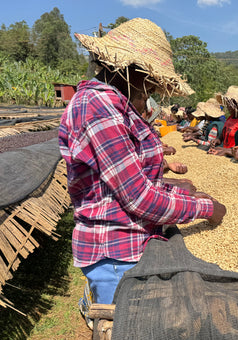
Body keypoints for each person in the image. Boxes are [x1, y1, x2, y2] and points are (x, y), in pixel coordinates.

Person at [59, 18, 226, 305]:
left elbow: (136, 181)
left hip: (129, 246)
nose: (152, 91)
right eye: (150, 81)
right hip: (116, 254)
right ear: (131, 71)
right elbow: (139, 198)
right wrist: (206, 208)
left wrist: (178, 191)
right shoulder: (99, 108)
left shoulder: (115, 106)